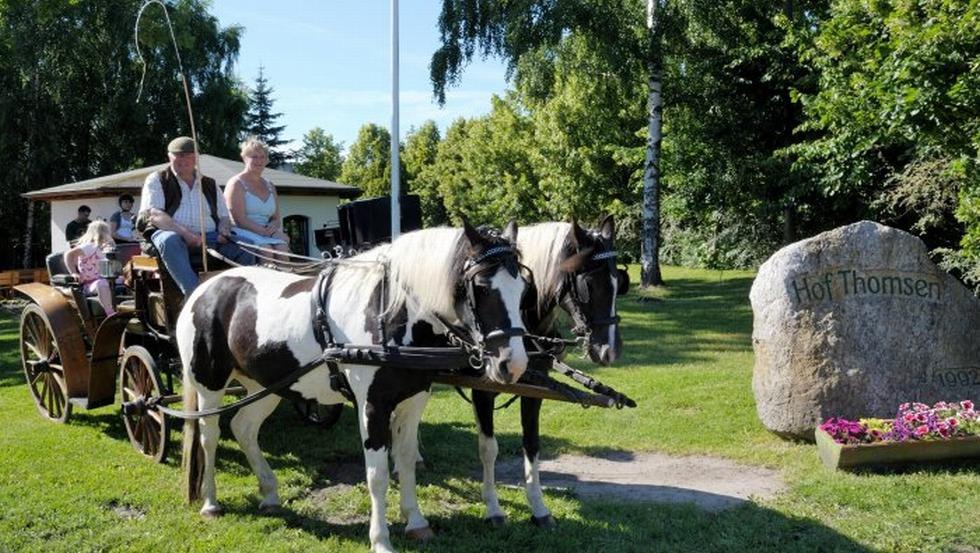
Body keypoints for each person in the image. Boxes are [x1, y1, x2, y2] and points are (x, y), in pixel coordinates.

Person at [137, 136, 255, 296]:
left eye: (188, 156)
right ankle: (194, 295)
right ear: (169, 156)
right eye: (178, 155)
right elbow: (155, 215)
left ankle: (241, 296)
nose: (183, 159)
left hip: (210, 238)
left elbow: (224, 217)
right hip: (175, 238)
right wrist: (187, 234)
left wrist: (224, 230)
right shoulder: (157, 179)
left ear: (196, 158)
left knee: (248, 245)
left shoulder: (210, 184)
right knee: (168, 239)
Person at [224, 136, 290, 257]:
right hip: (243, 231)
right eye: (254, 157)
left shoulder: (270, 185)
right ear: (244, 158)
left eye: (262, 157)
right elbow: (239, 220)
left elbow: (276, 218)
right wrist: (263, 231)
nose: (259, 161)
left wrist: (273, 227)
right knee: (267, 250)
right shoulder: (236, 183)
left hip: (266, 231)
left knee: (282, 248)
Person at [64, 220, 116, 317]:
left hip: (102, 278)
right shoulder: (89, 247)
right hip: (90, 284)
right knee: (102, 284)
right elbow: (68, 254)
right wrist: (73, 273)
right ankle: (110, 313)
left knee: (125, 279)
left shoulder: (102, 248)